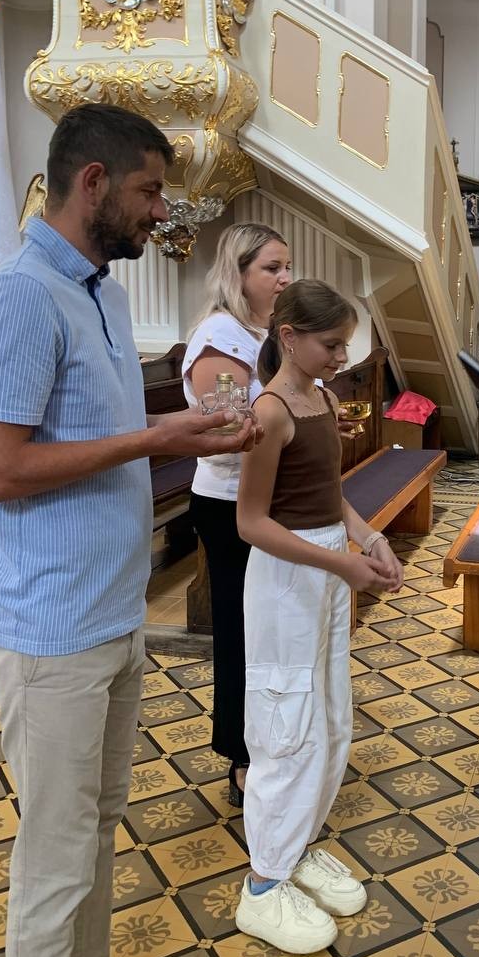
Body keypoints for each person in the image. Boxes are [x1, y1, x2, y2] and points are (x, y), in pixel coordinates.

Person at [0, 102, 259, 957]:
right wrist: (154, 438)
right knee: (52, 864)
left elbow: (100, 432)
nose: (160, 210)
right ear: (92, 182)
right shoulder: (19, 296)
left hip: (114, 616)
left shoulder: (101, 292)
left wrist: (183, 426)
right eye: (148, 190)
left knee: (92, 832)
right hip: (49, 632)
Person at [234, 279, 404, 954]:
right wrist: (340, 564)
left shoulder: (324, 398)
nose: (341, 357)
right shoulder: (271, 411)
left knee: (329, 715)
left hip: (327, 566)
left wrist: (369, 537)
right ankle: (262, 885)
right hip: (287, 580)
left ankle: (295, 846)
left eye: (344, 345)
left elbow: (330, 493)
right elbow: (251, 522)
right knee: (287, 720)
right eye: (331, 344)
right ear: (289, 337)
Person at [183, 223, 292, 805]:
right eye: (272, 268)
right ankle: (242, 756)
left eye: (287, 267)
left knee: (273, 629)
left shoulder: (264, 332)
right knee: (242, 632)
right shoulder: (221, 337)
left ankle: (275, 741)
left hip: (269, 499)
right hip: (229, 504)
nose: (285, 278)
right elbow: (227, 428)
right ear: (239, 273)